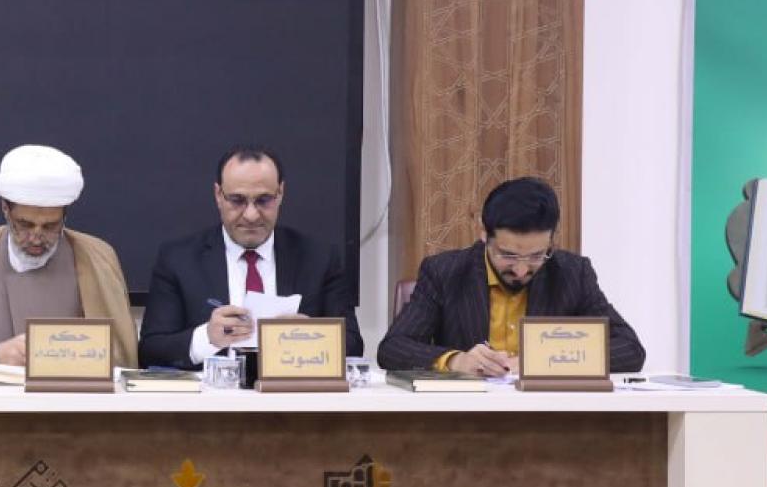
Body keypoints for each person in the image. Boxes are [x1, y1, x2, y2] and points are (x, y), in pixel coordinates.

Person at [377, 176, 646, 376]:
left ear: (551, 240)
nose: (521, 270)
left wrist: (542, 361)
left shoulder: (573, 274)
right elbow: (393, 348)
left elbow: (630, 349)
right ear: (484, 233)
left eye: (536, 256)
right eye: (508, 255)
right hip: (465, 416)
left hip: (547, 415)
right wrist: (456, 361)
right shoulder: (444, 272)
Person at [139, 144, 363, 367]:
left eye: (264, 200)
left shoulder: (319, 259)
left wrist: (314, 337)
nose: (251, 215)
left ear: (280, 194)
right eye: (237, 200)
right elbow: (151, 350)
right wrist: (207, 337)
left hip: (291, 388)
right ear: (218, 195)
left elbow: (354, 346)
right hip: (212, 390)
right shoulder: (179, 260)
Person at [0, 144, 137, 368]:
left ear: (64, 215)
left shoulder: (99, 260)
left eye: (50, 226)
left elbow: (121, 360)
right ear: (5, 209)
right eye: (24, 224)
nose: (36, 238)